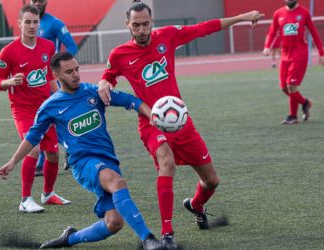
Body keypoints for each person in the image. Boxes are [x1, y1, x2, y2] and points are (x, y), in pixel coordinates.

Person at [98, 1, 264, 249]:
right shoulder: (119, 54)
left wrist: (243, 16)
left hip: (181, 122)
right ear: (127, 25)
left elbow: (205, 28)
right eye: (136, 25)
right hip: (151, 123)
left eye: (145, 24)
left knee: (212, 181)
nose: (141, 29)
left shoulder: (168, 36)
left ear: (151, 22)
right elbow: (108, 76)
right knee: (167, 162)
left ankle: (196, 205)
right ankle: (167, 234)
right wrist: (103, 82)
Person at [0, 52, 166, 250]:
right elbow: (32, 137)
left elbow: (131, 101)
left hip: (108, 159)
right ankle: (148, 239)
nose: (76, 75)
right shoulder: (50, 106)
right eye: (69, 71)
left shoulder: (93, 92)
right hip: (82, 162)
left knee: (114, 223)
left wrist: (152, 116)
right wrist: (12, 162)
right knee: (117, 182)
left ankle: (69, 238)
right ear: (56, 75)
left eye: (77, 69)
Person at [0, 5, 70, 213]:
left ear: (40, 24)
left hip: (45, 108)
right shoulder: (8, 52)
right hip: (23, 110)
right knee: (34, 147)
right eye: (27, 22)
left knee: (53, 154)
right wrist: (10, 82)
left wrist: (60, 98)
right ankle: (25, 199)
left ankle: (47, 194)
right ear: (19, 24)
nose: (31, 26)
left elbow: (50, 78)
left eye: (35, 22)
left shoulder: (47, 47)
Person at [30, 0, 78, 176]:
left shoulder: (55, 23)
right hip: (35, 81)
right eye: (33, 0)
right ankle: (68, 149)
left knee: (52, 117)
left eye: (40, 0)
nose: (37, 3)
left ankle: (44, 161)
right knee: (42, 118)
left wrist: (61, 66)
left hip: (51, 80)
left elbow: (71, 45)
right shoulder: (29, 22)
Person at [263, 0, 324, 125]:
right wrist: (267, 46)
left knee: (291, 86)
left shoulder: (304, 12)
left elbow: (314, 32)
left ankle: (292, 116)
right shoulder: (278, 13)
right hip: (285, 56)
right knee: (284, 88)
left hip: (300, 54)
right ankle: (306, 103)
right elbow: (272, 31)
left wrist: (321, 52)